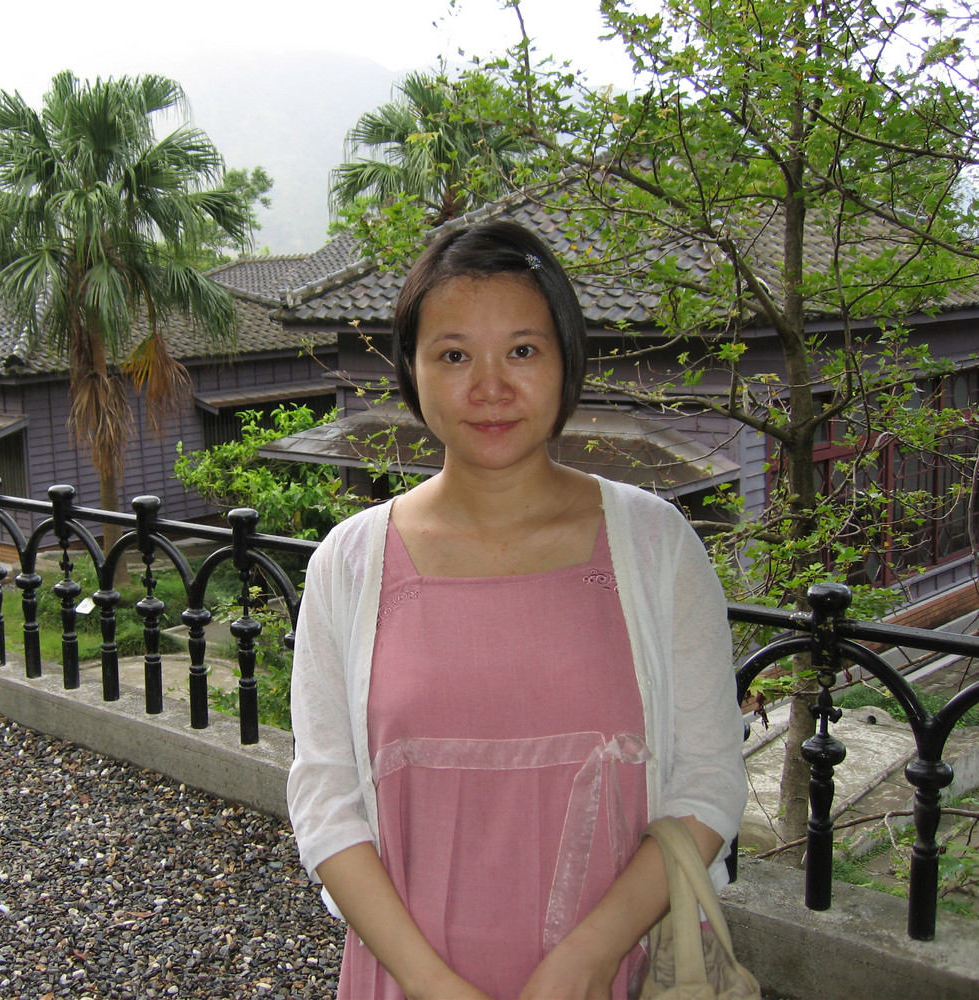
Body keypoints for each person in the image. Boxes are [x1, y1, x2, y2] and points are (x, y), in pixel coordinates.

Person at [286, 220, 747, 1000]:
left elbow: (708, 781)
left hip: (610, 974)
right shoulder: (349, 563)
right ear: (411, 370)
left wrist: (588, 959)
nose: (490, 387)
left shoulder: (653, 545)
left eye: (523, 351)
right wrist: (431, 986)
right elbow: (325, 800)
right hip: (406, 980)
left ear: (567, 360)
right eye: (453, 355)